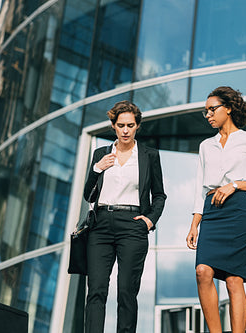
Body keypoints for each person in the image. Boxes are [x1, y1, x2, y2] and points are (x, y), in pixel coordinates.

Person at [186, 86, 246, 332]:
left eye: (212, 109)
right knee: (202, 271)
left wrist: (234, 185)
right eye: (205, 112)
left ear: (228, 108)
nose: (208, 115)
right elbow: (198, 187)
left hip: (239, 211)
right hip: (212, 212)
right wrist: (195, 224)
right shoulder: (206, 146)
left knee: (234, 280)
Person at [83, 101, 166, 333]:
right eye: (121, 125)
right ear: (113, 126)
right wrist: (97, 169)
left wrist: (150, 220)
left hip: (133, 225)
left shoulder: (149, 155)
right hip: (100, 225)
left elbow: (159, 195)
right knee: (96, 290)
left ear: (137, 126)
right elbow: (87, 195)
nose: (126, 130)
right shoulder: (101, 154)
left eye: (130, 125)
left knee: (127, 291)